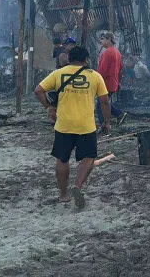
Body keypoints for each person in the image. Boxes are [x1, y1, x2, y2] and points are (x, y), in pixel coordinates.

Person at [34, 45, 111, 209]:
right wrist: (106, 122)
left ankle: (63, 195)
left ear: (69, 59)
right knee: (89, 157)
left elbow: (38, 90)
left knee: (62, 159)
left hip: (63, 126)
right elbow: (104, 101)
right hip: (86, 126)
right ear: (86, 59)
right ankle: (77, 185)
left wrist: (48, 107)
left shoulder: (58, 73)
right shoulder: (95, 76)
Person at [96, 31, 127, 127]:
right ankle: (119, 114)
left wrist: (95, 82)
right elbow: (120, 69)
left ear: (109, 39)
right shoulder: (116, 52)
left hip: (105, 83)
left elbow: (102, 70)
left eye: (103, 39)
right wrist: (118, 82)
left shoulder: (107, 53)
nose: (101, 41)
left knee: (100, 105)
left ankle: (103, 125)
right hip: (112, 82)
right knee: (104, 102)